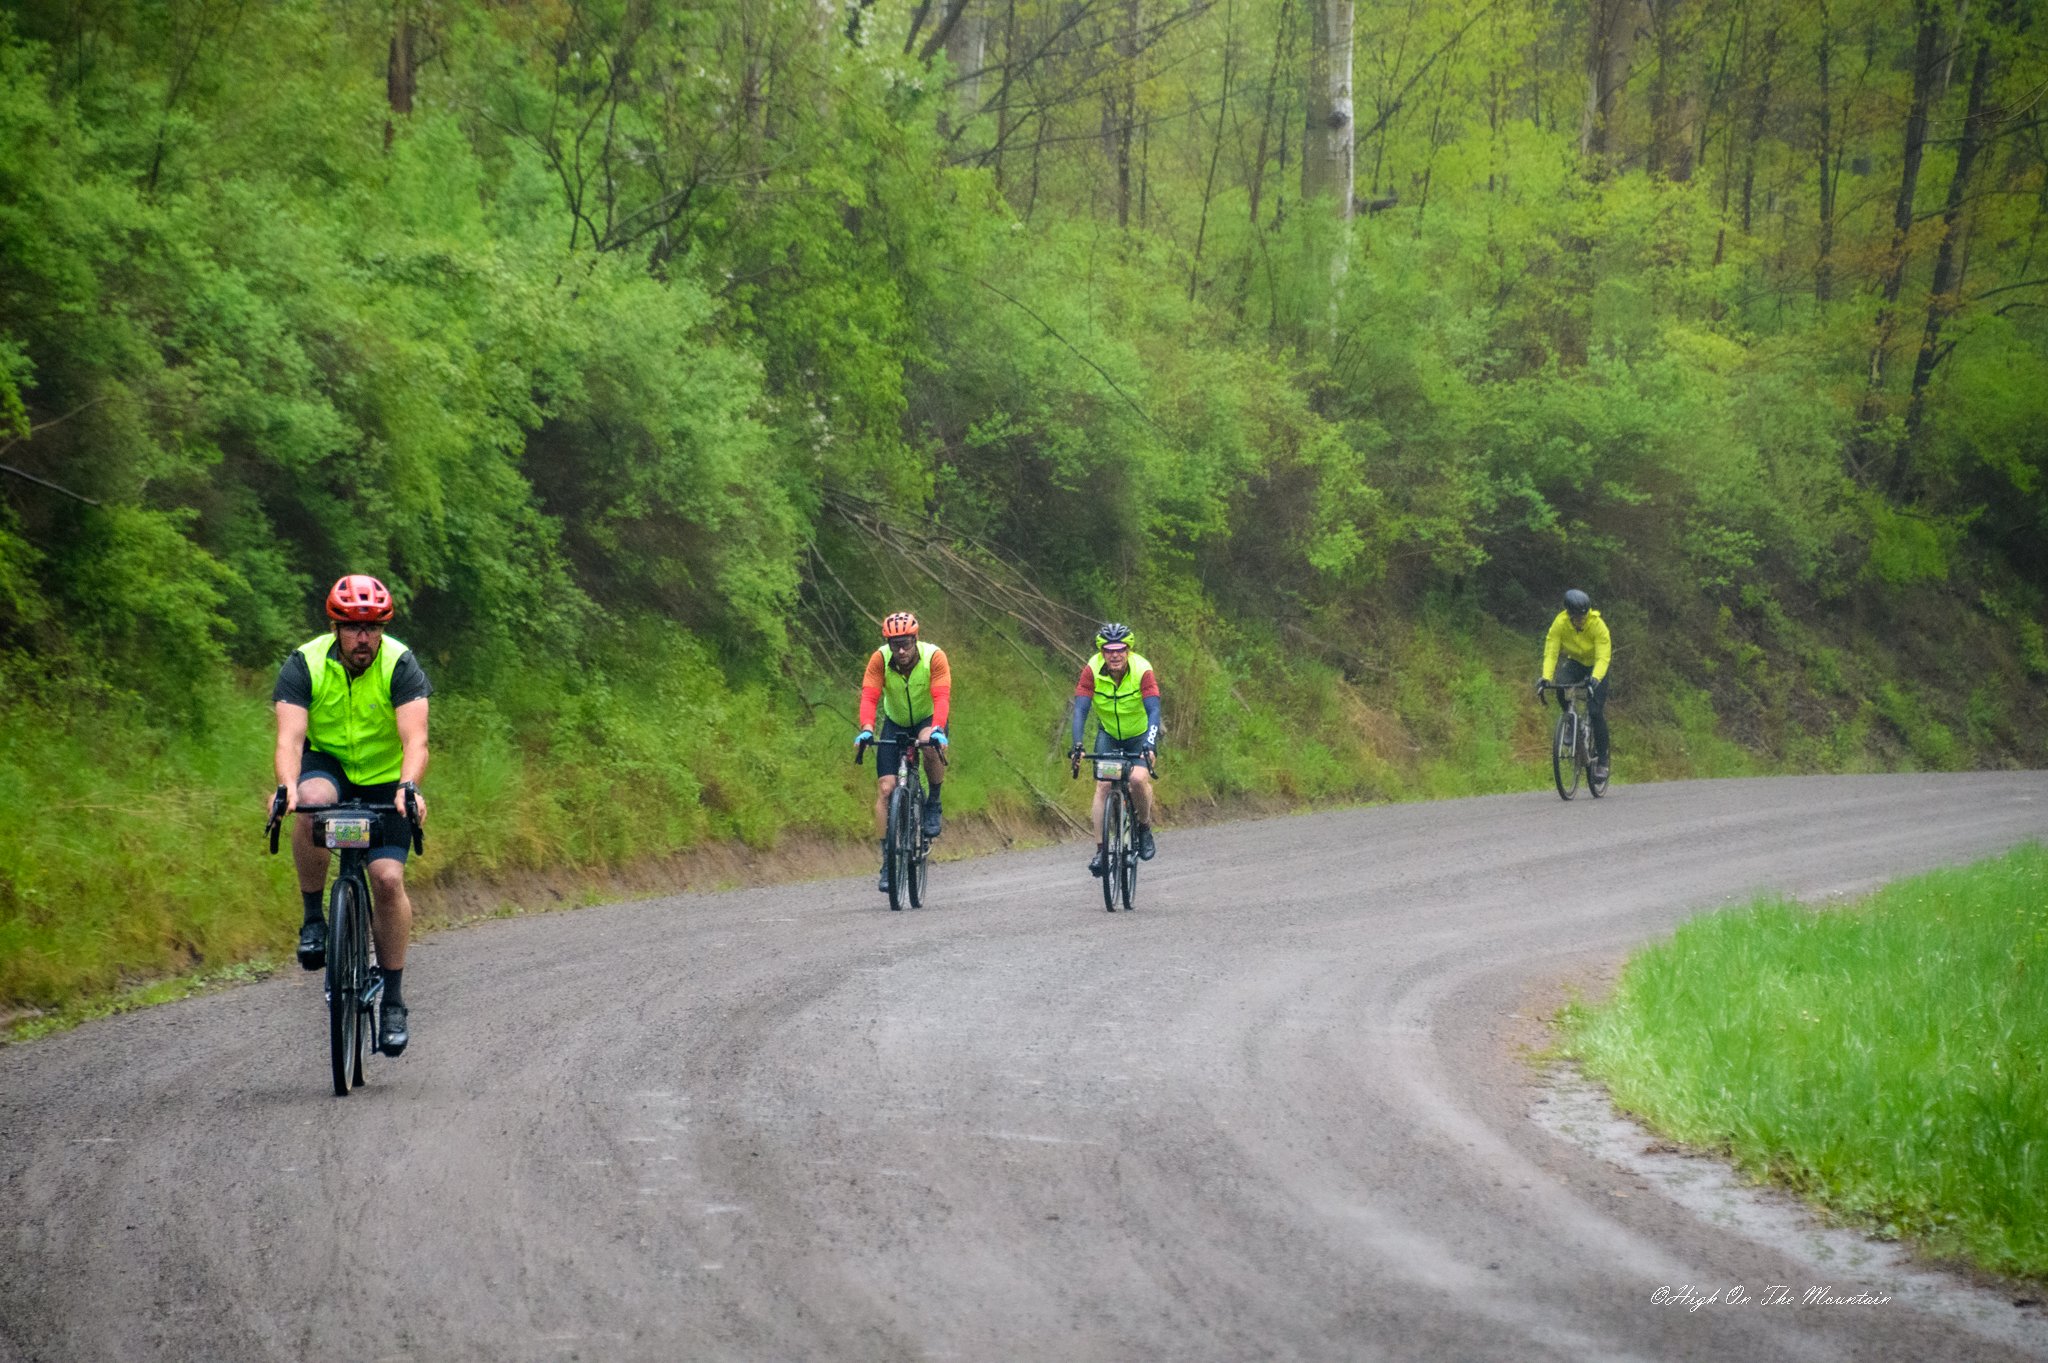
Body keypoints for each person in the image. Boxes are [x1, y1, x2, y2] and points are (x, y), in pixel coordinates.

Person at [273, 574, 431, 1055]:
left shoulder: (399, 664)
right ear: (335, 626)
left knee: (386, 879)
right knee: (310, 798)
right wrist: (286, 787)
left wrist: (409, 787)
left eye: (373, 628)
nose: (363, 638)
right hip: (332, 766)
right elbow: (290, 740)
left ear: (383, 629)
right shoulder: (304, 663)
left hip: (386, 778)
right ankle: (312, 919)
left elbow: (416, 739)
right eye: (352, 627)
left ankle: (395, 1002)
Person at [854, 611, 950, 894]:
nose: (901, 650)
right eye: (895, 645)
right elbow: (870, 696)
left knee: (930, 747)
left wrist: (938, 729)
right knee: (886, 789)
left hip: (928, 720)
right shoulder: (879, 659)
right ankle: (887, 860)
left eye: (906, 643)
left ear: (915, 639)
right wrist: (867, 728)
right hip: (894, 721)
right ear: (888, 644)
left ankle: (934, 801)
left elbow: (942, 696)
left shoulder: (934, 657)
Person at [1066, 623, 1160, 874]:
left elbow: (1154, 710)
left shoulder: (1142, 670)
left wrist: (1150, 743)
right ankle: (1100, 852)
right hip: (1109, 735)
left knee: (1138, 780)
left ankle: (1144, 826)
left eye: (1120, 649)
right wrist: (1077, 745)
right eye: (1109, 650)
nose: (1114, 654)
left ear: (1128, 650)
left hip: (1139, 736)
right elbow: (1081, 710)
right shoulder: (1092, 670)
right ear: (1102, 652)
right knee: (1104, 785)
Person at [1538, 588, 1612, 781]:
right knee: (1561, 685)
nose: (1581, 620)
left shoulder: (1598, 625)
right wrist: (1546, 677)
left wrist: (1595, 679)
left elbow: (1604, 657)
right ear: (1568, 614)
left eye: (1584, 616)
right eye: (1577, 617)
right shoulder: (1560, 623)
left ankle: (1602, 761)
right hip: (1576, 663)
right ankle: (1570, 723)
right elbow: (1551, 649)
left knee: (1595, 712)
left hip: (1597, 667)